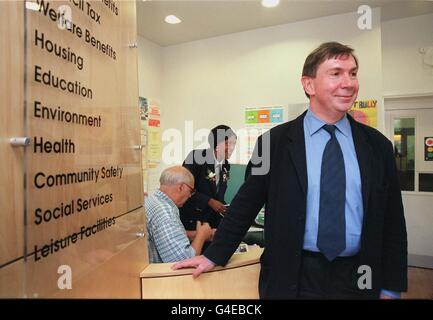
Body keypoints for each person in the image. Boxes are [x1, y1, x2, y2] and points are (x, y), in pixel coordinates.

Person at [173, 42, 408, 299]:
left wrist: (391, 286)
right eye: (336, 73)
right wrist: (212, 256)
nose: (349, 82)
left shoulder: (377, 146)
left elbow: (392, 220)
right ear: (309, 85)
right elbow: (245, 205)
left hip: (359, 277)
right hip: (293, 276)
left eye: (353, 73)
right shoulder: (273, 144)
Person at [145, 166, 213, 263]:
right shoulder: (165, 213)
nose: (190, 196)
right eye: (191, 191)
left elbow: (167, 235)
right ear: (181, 187)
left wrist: (199, 234)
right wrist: (201, 236)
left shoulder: (154, 201)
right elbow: (182, 262)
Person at [180, 125, 237, 233]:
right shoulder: (196, 157)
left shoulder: (226, 165)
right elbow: (184, 187)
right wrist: (209, 201)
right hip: (192, 219)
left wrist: (225, 207)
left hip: (213, 222)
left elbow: (219, 191)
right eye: (227, 143)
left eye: (234, 144)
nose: (232, 148)